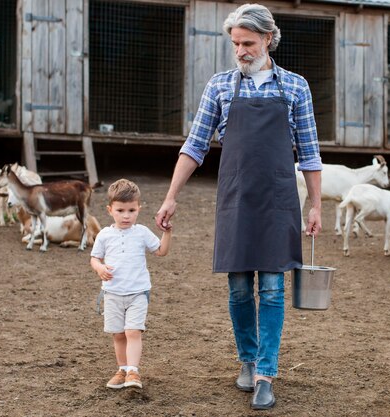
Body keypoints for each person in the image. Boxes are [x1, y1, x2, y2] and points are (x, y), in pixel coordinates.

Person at [155, 3, 322, 411]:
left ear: (268, 39)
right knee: (238, 288)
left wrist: (315, 204)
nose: (241, 51)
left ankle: (266, 371)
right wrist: (171, 195)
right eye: (235, 44)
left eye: (248, 43)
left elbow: (310, 152)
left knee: (272, 287)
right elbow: (195, 145)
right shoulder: (220, 86)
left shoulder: (296, 87)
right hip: (235, 198)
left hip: (280, 199)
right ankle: (246, 360)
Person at [91, 179, 172, 390]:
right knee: (118, 334)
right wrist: (99, 268)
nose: (126, 216)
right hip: (112, 294)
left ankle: (134, 371)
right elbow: (94, 258)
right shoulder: (104, 235)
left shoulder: (142, 232)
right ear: (110, 210)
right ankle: (123, 369)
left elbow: (161, 251)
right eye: (120, 210)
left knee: (133, 331)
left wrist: (167, 232)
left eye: (131, 210)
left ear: (139, 208)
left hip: (138, 292)